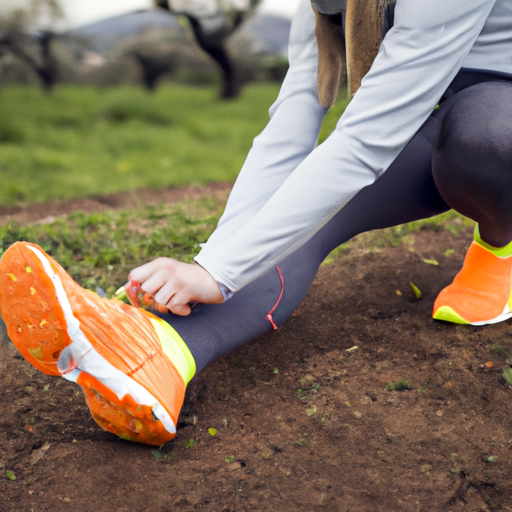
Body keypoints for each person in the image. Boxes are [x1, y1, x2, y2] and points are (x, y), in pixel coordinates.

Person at [2, 0, 512, 446]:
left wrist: (218, 271)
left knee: (485, 142)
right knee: (300, 225)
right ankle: (157, 358)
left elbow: (368, 136)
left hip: (494, 121)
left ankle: (500, 245)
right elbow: (292, 120)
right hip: (419, 126)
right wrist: (214, 262)